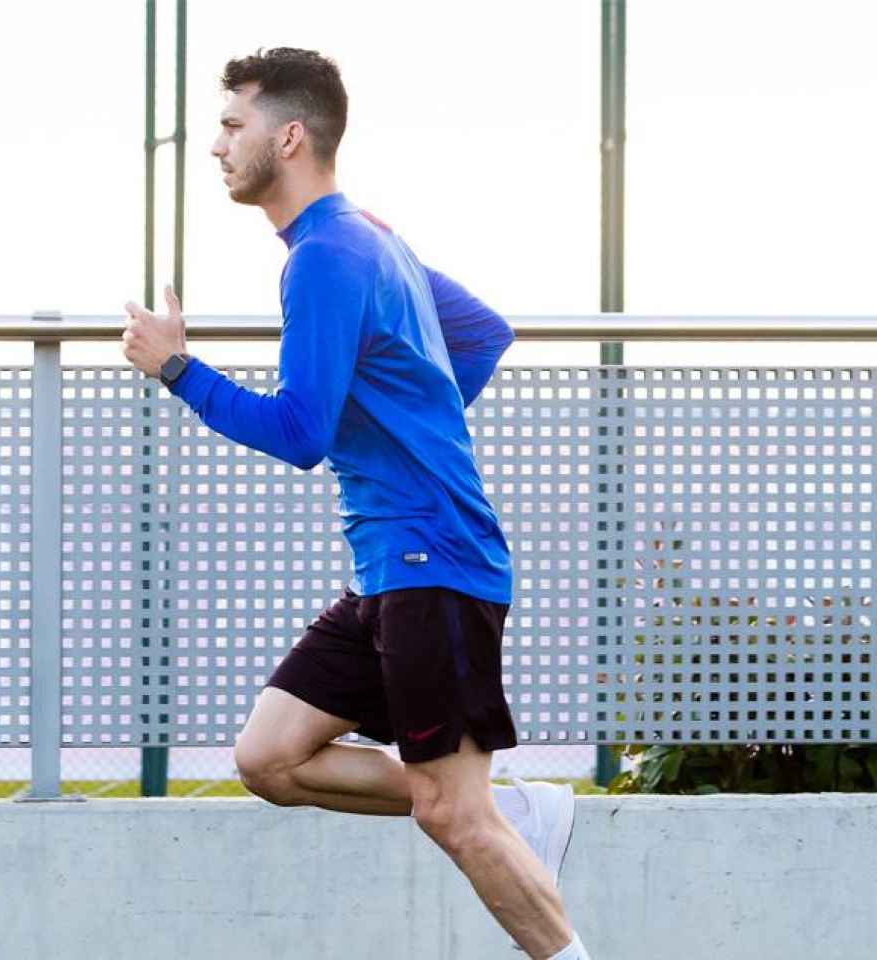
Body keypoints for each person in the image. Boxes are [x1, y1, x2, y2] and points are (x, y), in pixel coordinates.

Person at [121, 47, 591, 960]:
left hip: (433, 563)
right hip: (394, 563)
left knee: (452, 815)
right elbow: (483, 337)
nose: (217, 145)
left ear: (288, 135)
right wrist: (406, 420)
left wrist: (175, 369)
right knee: (271, 756)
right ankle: (518, 809)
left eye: (231, 125)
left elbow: (300, 433)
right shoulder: (367, 239)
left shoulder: (331, 257)